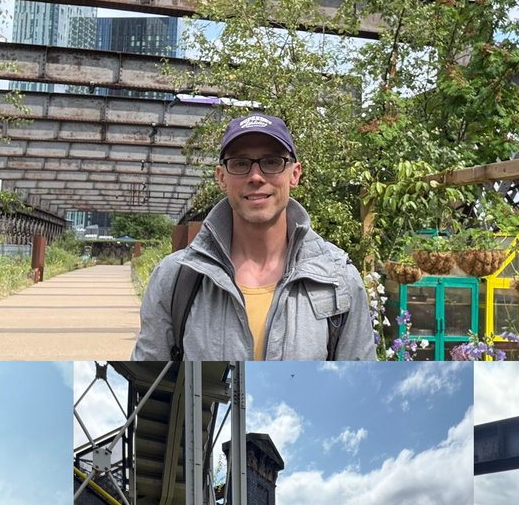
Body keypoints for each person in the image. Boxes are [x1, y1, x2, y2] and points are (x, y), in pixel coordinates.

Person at [132, 113, 376, 360]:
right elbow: (149, 376)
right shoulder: (175, 278)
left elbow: (359, 378)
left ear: (294, 174)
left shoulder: (338, 279)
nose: (256, 177)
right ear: (221, 177)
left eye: (272, 162)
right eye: (240, 163)